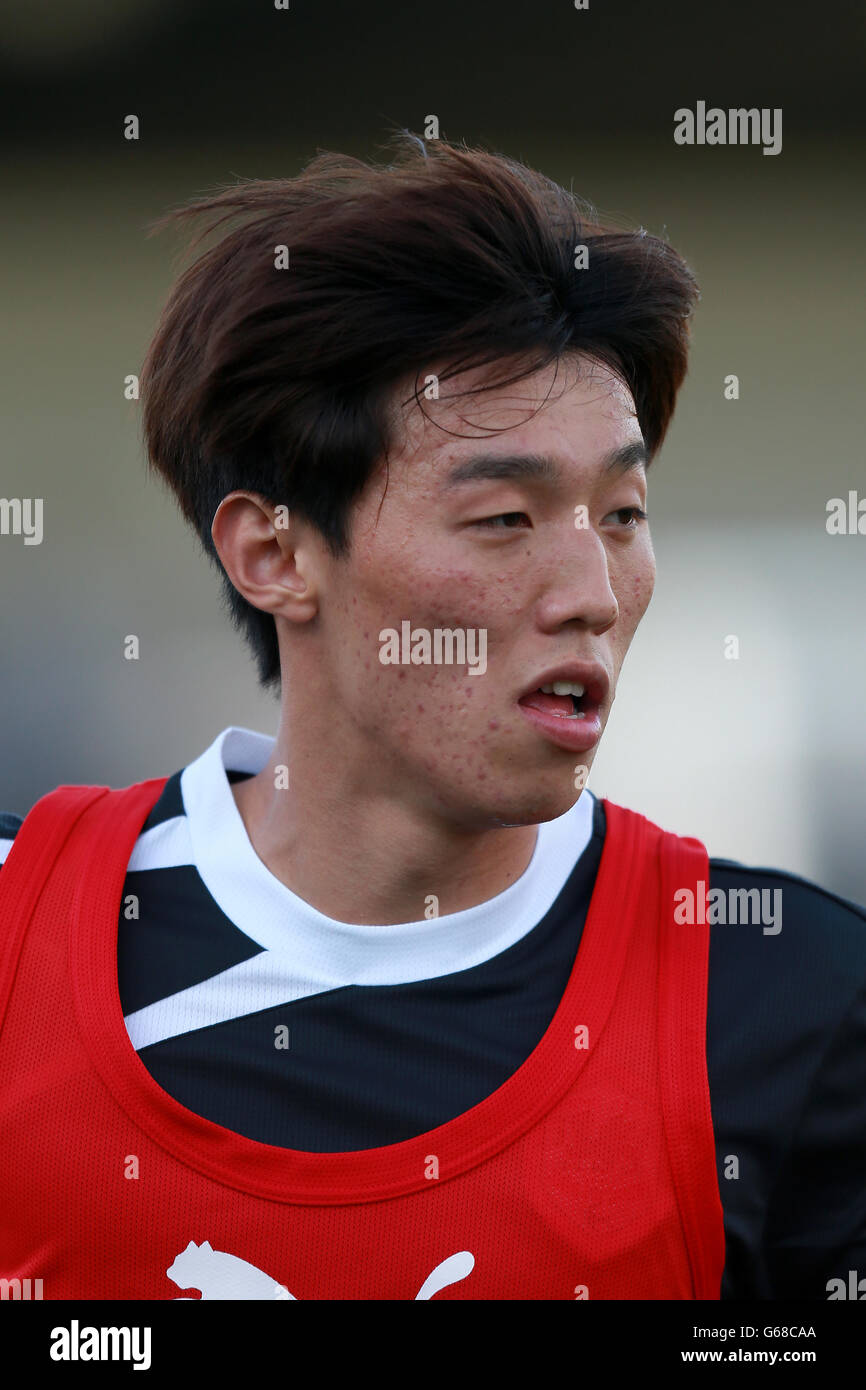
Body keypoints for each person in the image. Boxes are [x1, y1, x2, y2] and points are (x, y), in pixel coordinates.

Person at [1, 134, 863, 1302]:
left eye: (620, 513)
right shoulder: (19, 919)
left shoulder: (790, 994)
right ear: (275, 552)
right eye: (505, 518)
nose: (592, 593)